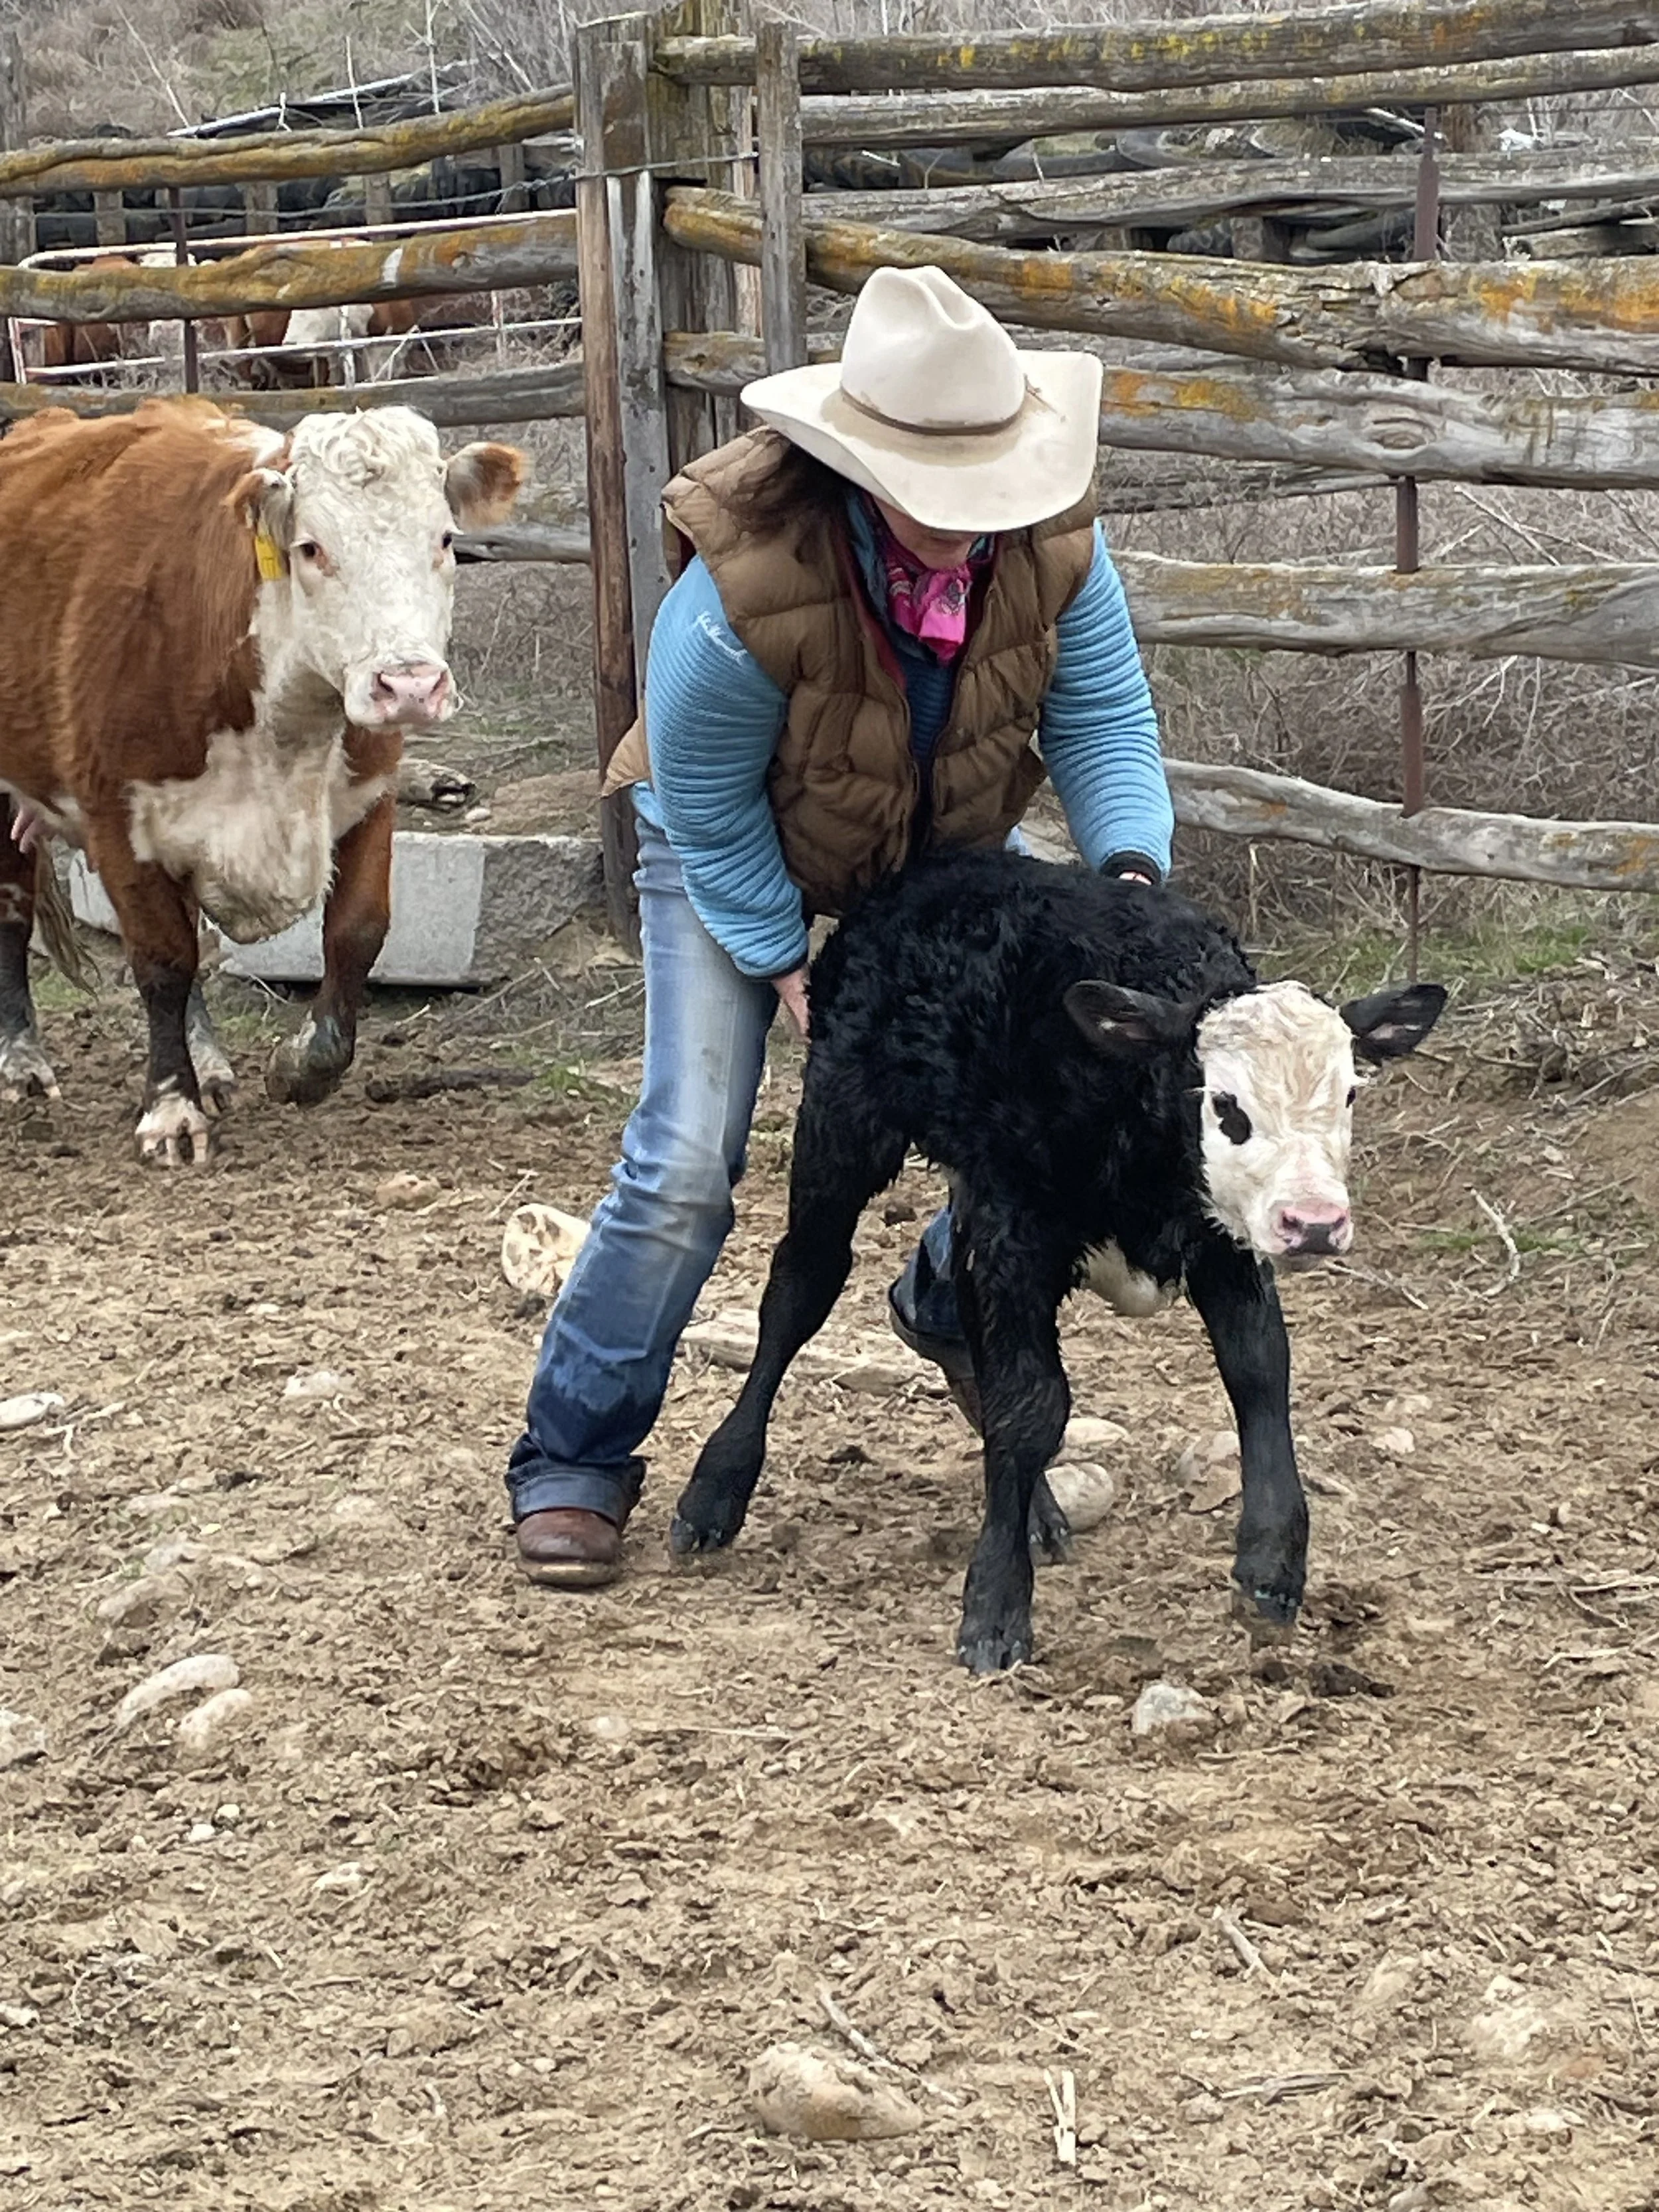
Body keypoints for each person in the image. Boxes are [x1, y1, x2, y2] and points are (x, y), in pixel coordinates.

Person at [506, 264, 1175, 1587]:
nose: (962, 517)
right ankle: (575, 1453)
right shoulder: (743, 586)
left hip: (936, 857)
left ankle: (949, 1297)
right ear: (858, 464)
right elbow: (698, 794)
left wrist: (1129, 889)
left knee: (1050, 1092)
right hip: (733, 851)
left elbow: (1099, 720)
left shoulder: (1053, 549)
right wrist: (782, 962)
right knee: (691, 1151)